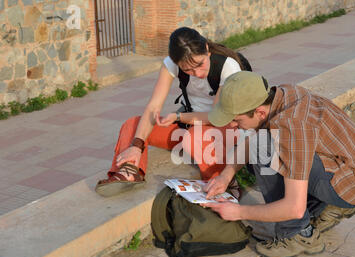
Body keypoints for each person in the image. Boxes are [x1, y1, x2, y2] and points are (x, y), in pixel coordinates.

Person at [202, 71, 355, 257]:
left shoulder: (290, 126)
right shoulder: (282, 95)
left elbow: (294, 207)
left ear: (260, 112)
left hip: (351, 185)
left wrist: (238, 212)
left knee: (263, 149)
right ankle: (325, 205)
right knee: (260, 144)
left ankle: (297, 234)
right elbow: (252, 140)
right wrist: (226, 175)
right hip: (353, 172)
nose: (231, 126)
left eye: (236, 120)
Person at [95, 27, 246, 197]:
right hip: (190, 124)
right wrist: (137, 145)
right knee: (133, 125)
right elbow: (153, 107)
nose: (197, 73)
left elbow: (215, 117)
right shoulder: (171, 65)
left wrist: (178, 116)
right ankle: (129, 170)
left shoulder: (227, 66)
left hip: (224, 128)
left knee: (195, 138)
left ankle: (223, 183)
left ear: (206, 49)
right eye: (188, 70)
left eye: (199, 64)